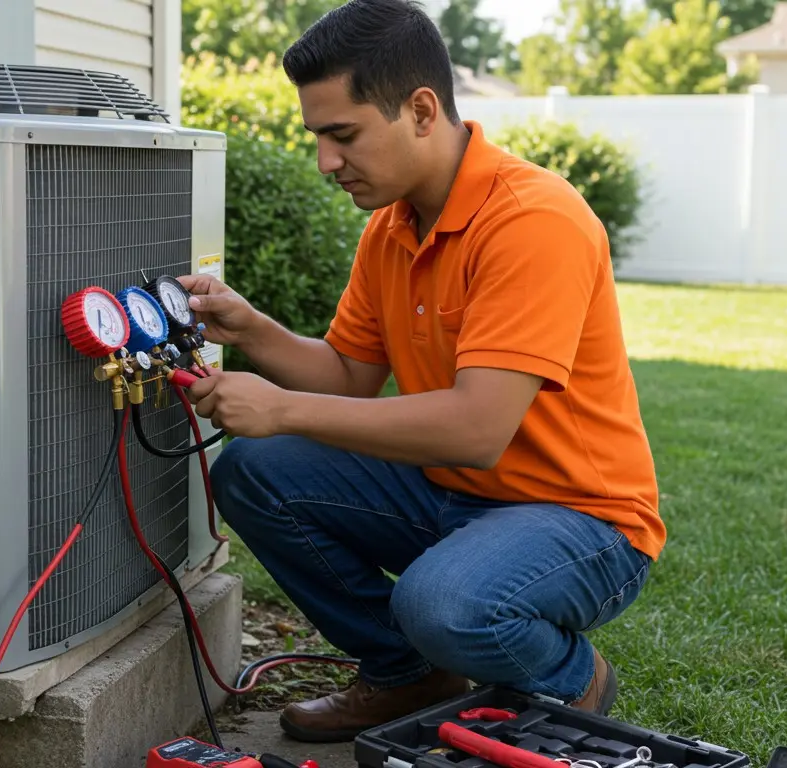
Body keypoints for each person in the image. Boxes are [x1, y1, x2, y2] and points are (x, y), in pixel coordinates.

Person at [179, 0, 663, 744]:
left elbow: (475, 429)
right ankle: (409, 676)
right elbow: (347, 376)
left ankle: (573, 679)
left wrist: (282, 409)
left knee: (444, 605)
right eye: (317, 138)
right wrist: (254, 330)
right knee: (254, 470)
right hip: (452, 495)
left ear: (422, 110)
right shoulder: (394, 227)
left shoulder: (534, 221)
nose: (325, 162)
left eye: (342, 136)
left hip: (582, 519)